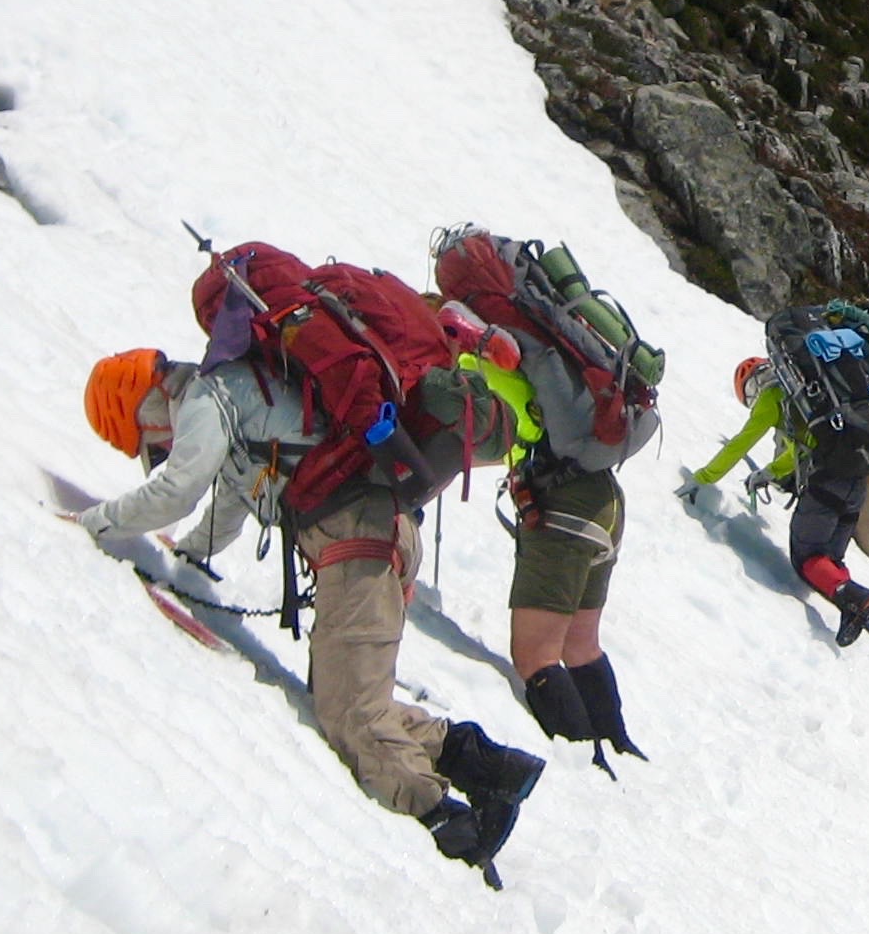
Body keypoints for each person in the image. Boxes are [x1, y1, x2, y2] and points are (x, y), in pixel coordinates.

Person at [77, 345, 544, 880]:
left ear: (146, 407)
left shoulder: (208, 396)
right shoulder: (240, 391)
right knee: (347, 697)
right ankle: (478, 761)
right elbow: (232, 497)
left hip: (356, 539)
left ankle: (454, 834)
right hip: (372, 532)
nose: (159, 449)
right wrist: (184, 558)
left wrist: (94, 523)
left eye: (148, 440)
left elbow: (177, 490)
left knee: (352, 717)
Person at [430, 230, 657, 770]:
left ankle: (584, 768)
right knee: (581, 644)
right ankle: (619, 747)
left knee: (535, 656)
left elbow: (500, 433)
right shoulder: (539, 331)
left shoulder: (490, 354)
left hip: (561, 508)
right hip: (603, 500)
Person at [681, 320, 869, 645]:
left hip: (831, 477)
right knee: (835, 553)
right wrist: (769, 472)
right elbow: (798, 449)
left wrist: (702, 478)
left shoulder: (775, 398)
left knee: (809, 556)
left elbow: (739, 445)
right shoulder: (813, 393)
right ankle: (853, 607)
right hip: (863, 471)